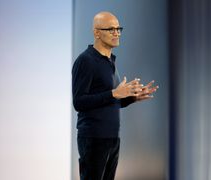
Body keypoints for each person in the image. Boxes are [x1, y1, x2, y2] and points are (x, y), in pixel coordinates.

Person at [72, 11, 159, 180]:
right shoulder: (86, 61)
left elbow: (110, 101)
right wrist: (114, 93)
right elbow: (79, 102)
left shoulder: (110, 60)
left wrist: (131, 97)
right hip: (93, 139)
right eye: (111, 29)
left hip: (112, 138)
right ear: (96, 33)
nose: (116, 33)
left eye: (118, 28)